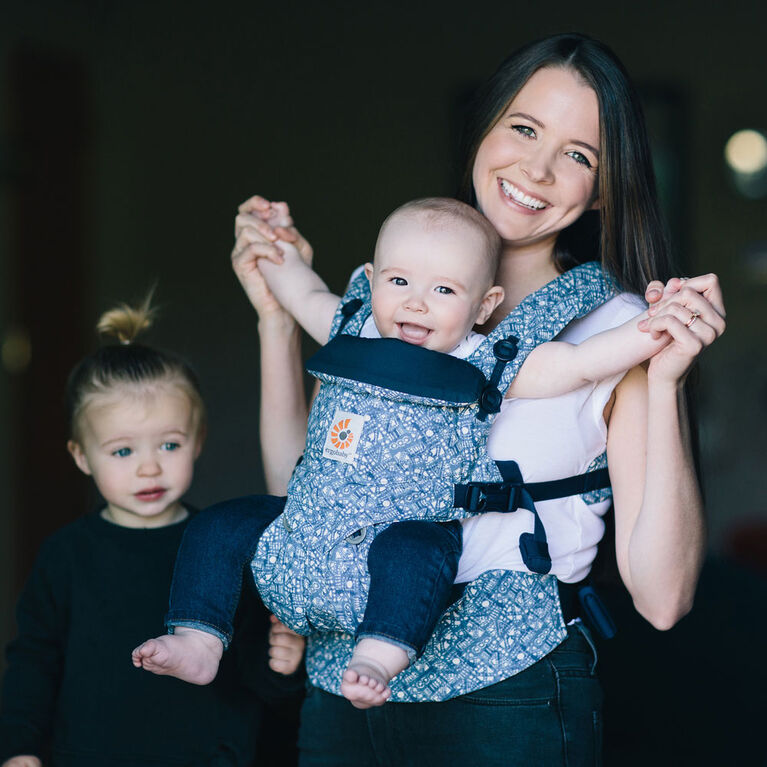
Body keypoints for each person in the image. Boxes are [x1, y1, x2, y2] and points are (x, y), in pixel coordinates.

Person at [230, 33, 726, 766]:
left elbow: (660, 597)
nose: (536, 168)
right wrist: (276, 319)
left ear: (604, 187)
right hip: (342, 693)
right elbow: (305, 499)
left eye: (578, 154)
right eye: (523, 128)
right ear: (484, 128)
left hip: (506, 696)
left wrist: (665, 381)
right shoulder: (393, 297)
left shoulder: (617, 329)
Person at [135, 195, 677, 711]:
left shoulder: (485, 362)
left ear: (484, 305)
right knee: (220, 524)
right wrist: (273, 244)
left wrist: (661, 325)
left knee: (419, 551)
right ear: (371, 283)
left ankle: (378, 654)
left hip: (400, 532)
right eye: (398, 281)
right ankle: (200, 638)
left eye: (444, 291)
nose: (416, 302)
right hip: (315, 530)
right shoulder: (354, 328)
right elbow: (302, 293)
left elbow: (580, 363)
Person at [0, 298, 305, 767]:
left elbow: (257, 678)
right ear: (81, 456)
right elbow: (34, 664)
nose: (148, 467)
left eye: (169, 444)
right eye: (122, 451)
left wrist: (282, 668)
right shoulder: (65, 556)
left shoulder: (224, 550)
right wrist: (19, 747)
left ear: (197, 440)